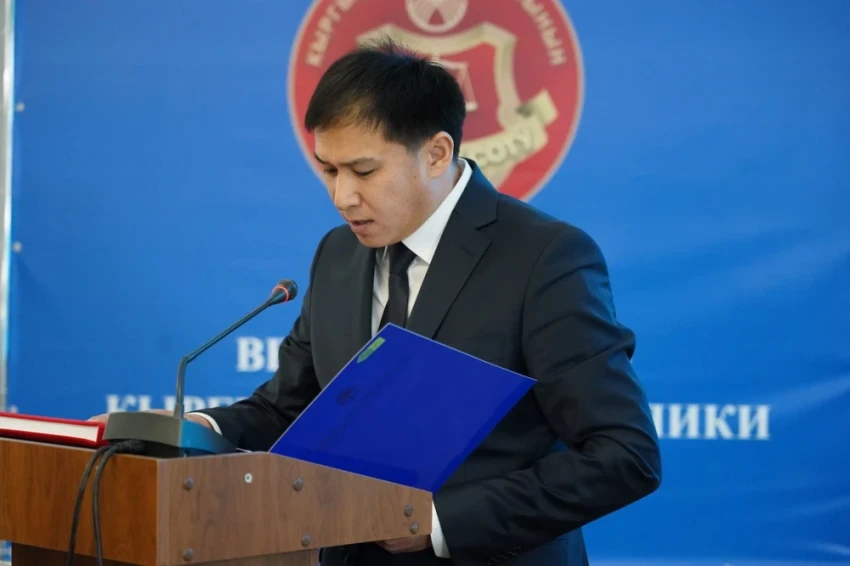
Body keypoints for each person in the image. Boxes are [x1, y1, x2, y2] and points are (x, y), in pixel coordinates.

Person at [94, 39, 661, 565]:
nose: (342, 196)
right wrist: (185, 429)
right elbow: (287, 411)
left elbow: (624, 453)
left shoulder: (543, 257)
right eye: (328, 170)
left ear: (436, 153)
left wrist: (437, 522)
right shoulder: (338, 253)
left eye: (363, 170)